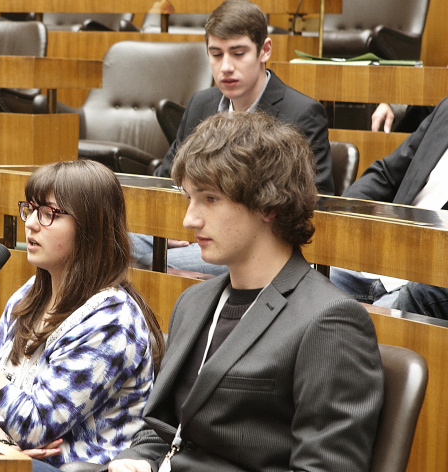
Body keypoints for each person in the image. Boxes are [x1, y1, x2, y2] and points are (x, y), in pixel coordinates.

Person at [0, 112, 383, 472]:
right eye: (189, 198)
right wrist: (129, 465)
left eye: (209, 199)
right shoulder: (196, 301)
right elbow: (161, 428)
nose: (189, 219)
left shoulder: (330, 320)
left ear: (268, 204)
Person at [0, 160, 163, 467]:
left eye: (48, 214)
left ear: (89, 226)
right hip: (19, 465)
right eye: (30, 209)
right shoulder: (29, 295)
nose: (30, 224)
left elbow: (33, 428)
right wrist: (4, 445)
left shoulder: (112, 319)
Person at [131, 0, 333, 273]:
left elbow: (312, 204)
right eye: (216, 54)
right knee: (107, 243)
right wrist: (176, 223)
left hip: (249, 244)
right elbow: (168, 178)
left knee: (152, 265)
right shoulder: (200, 104)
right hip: (188, 228)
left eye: (238, 54)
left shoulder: (301, 113)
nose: (225, 66)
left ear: (265, 50)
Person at [333, 96, 448, 319]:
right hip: (382, 257)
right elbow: (386, 173)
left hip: (427, 277)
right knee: (295, 279)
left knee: (355, 327)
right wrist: (341, 214)